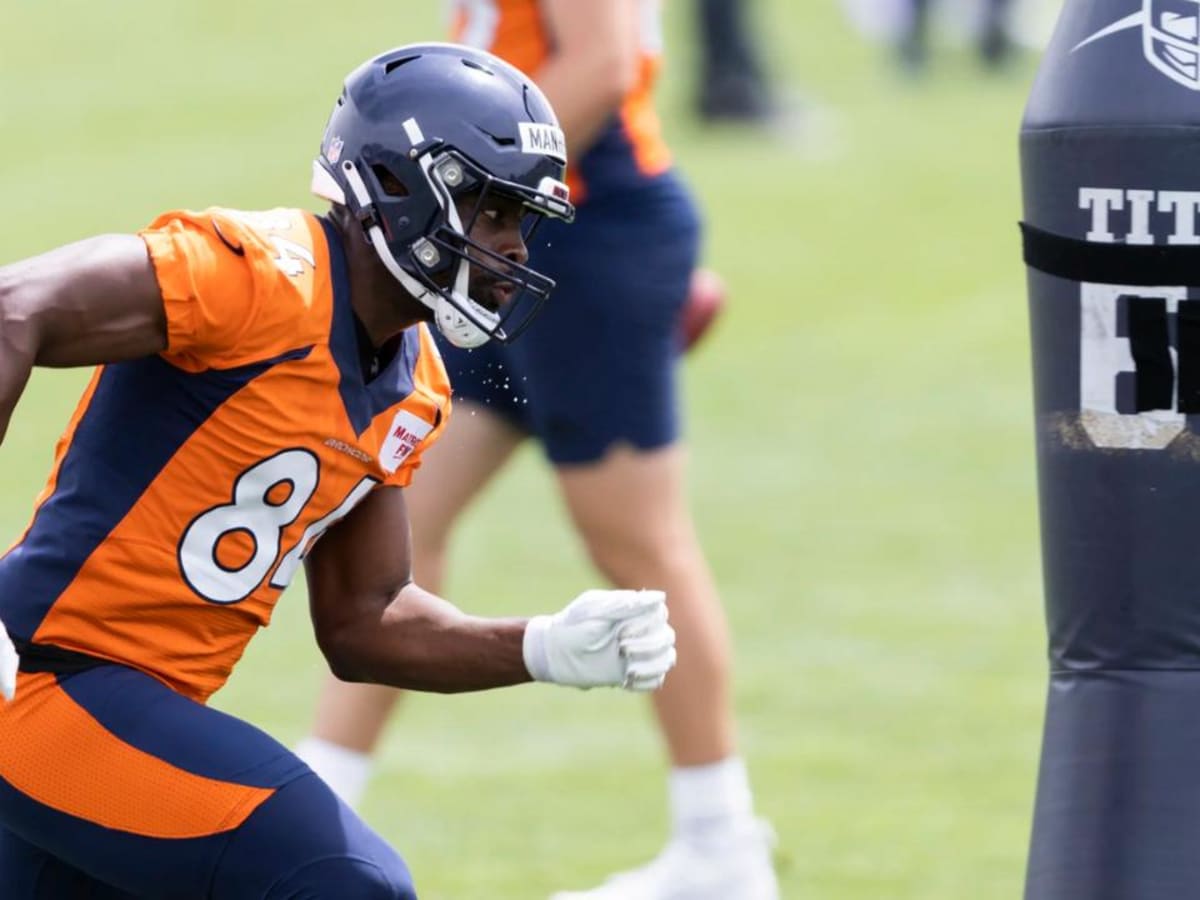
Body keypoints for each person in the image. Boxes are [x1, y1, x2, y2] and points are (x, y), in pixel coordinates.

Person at [0, 42, 677, 899]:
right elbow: (14, 306)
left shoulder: (415, 383)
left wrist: (540, 645)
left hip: (125, 711)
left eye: (519, 220)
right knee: (347, 884)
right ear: (394, 187)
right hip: (45, 683)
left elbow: (365, 621)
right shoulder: (253, 275)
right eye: (488, 210)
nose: (509, 250)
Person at [296, 4, 780, 899]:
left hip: (563, 233)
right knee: (393, 510)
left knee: (636, 539)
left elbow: (600, 63)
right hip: (499, 235)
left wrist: (464, 209)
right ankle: (316, 804)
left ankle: (723, 847)